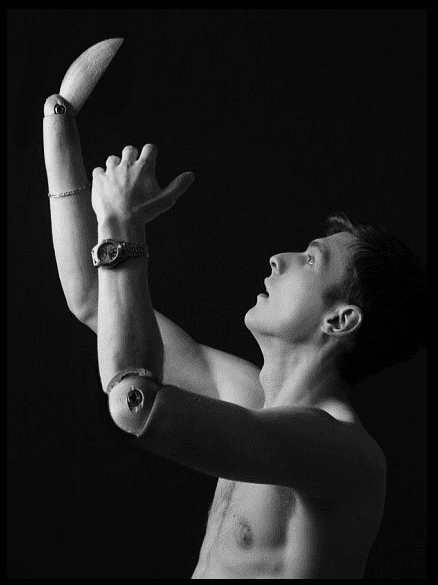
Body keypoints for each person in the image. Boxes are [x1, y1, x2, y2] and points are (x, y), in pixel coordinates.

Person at [45, 99, 425, 577]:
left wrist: (122, 226)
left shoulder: (346, 454)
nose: (278, 259)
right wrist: (58, 129)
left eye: (311, 260)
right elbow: (92, 298)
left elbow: (134, 402)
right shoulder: (249, 400)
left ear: (340, 319)